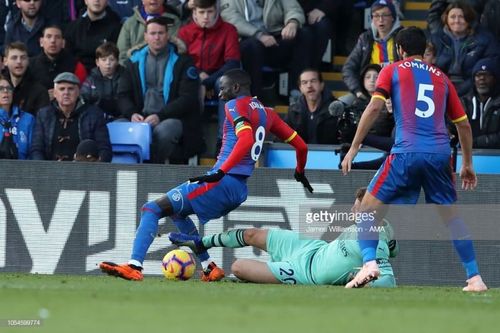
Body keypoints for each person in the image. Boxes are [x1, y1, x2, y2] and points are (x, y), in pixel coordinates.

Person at [99, 68, 314, 282]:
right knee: (177, 212)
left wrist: (221, 171)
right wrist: (299, 171)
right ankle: (209, 267)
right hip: (239, 189)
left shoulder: (235, 105)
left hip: (221, 181)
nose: (219, 95)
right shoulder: (268, 113)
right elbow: (301, 146)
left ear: (236, 87)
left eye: (222, 89)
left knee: (152, 209)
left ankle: (134, 266)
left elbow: (246, 139)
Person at [341, 27, 488, 292]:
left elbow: (374, 107)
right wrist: (467, 164)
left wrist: (354, 147)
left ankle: (370, 263)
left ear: (400, 50)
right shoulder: (443, 78)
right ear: (424, 50)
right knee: (452, 218)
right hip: (440, 155)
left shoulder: (393, 69)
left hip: (407, 151)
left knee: (366, 210)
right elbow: (464, 126)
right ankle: (475, 277)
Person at [169, 187, 398, 286]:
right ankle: (201, 243)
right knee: (251, 233)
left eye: (357, 209)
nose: (352, 212)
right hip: (312, 247)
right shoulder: (384, 227)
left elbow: (387, 279)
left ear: (372, 209)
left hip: (305, 273)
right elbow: (393, 248)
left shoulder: (374, 240)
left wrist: (359, 282)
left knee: (238, 267)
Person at [117, 16, 204, 163]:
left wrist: (160, 116)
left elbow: (187, 98)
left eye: (161, 33)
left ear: (167, 35)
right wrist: (132, 113)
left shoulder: (183, 62)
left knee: (163, 131)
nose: (157, 37)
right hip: (140, 116)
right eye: (152, 33)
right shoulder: (132, 63)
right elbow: (122, 95)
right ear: (145, 36)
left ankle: (153, 170)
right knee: (116, 127)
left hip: (171, 117)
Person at [220, 0, 314, 100]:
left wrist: (292, 22)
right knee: (252, 46)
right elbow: (232, 19)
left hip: (275, 36)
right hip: (248, 39)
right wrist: (258, 35)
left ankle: (296, 91)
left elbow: (293, 7)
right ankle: (255, 99)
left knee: (304, 34)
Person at [177, 0, 240, 142]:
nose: (206, 16)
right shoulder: (184, 32)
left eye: (210, 12)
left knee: (227, 84)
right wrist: (199, 76)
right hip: (193, 77)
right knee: (186, 84)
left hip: (218, 77)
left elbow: (232, 63)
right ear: (194, 13)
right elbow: (181, 63)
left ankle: (224, 141)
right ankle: (190, 140)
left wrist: (207, 82)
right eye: (201, 12)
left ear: (216, 11)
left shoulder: (228, 30)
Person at [29, 72, 112, 161]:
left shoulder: (94, 114)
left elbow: (104, 149)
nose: (66, 93)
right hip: (49, 171)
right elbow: (36, 149)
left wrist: (93, 166)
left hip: (83, 171)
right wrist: (42, 171)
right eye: (62, 89)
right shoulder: (44, 115)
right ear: (55, 93)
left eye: (70, 89)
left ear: (78, 92)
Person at [430, 1, 500, 96]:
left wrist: (458, 92)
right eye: (453, 17)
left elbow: (487, 68)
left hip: (471, 90)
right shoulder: (437, 39)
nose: (457, 21)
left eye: (461, 17)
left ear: (469, 18)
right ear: (446, 19)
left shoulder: (484, 39)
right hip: (441, 88)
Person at [342, 0, 403, 100]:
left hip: (396, 93)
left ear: (393, 17)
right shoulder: (365, 38)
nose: (380, 19)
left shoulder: (403, 37)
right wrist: (358, 90)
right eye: (376, 15)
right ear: (372, 19)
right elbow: (348, 69)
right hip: (370, 94)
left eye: (385, 15)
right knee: (342, 102)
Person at [29, 25, 88, 100]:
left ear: (63, 43)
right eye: (48, 36)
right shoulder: (30, 65)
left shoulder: (76, 65)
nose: (53, 40)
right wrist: (42, 96)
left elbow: (82, 92)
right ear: (41, 42)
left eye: (57, 37)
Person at [64, 0, 122, 72]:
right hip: (77, 76)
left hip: (105, 77)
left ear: (107, 1)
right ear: (86, 1)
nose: (97, 0)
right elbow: (67, 59)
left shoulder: (116, 28)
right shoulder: (73, 28)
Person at [117, 0, 182, 64]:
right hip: (133, 70)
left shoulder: (174, 21)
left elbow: (176, 51)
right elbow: (122, 56)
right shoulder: (130, 23)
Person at [286, 68, 339, 144]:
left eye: (313, 81)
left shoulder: (336, 109)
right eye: (304, 82)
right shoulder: (293, 111)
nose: (309, 85)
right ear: (300, 88)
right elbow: (280, 138)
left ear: (321, 85)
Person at [458, 58, 500, 148]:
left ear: (496, 79)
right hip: (466, 156)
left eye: (487, 75)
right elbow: (451, 129)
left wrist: (473, 142)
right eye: (478, 75)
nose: (482, 79)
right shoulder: (464, 102)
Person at [81, 42, 125, 121]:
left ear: (117, 61)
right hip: (96, 118)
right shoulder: (91, 80)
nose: (108, 63)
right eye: (104, 60)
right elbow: (83, 99)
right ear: (97, 62)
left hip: (120, 118)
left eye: (111, 59)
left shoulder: (125, 77)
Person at [2, 42, 50, 115]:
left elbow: (43, 122)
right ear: (5, 61)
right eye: (14, 58)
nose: (19, 61)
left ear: (28, 61)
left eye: (23, 58)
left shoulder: (39, 91)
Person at [0, 74, 34, 159]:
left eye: (9, 88)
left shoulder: (28, 119)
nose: (5, 91)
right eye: (1, 89)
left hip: (23, 169)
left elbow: (33, 152)